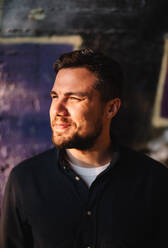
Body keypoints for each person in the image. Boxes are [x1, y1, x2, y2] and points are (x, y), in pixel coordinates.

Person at [0, 48, 168, 248]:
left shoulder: (154, 181)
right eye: (55, 97)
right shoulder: (25, 180)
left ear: (111, 108)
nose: (58, 110)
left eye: (74, 98)